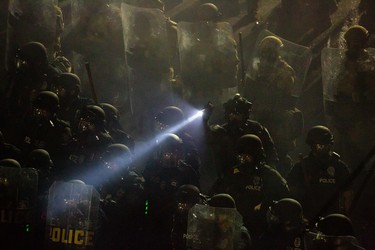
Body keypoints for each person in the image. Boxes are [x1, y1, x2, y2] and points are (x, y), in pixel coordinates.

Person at [214, 134, 289, 245]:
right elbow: (217, 194)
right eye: (241, 157)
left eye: (247, 156)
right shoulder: (233, 173)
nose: (243, 160)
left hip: (261, 230)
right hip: (234, 228)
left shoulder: (269, 175)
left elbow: (285, 197)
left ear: (257, 155)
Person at [244, 36, 302, 177]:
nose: (268, 54)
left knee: (279, 153)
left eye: (271, 51)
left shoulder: (285, 70)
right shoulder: (256, 67)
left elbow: (286, 94)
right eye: (265, 51)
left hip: (276, 117)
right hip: (257, 115)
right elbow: (248, 90)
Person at [328, 25, 375, 169]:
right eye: (350, 43)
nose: (352, 46)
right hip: (344, 115)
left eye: (356, 42)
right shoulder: (343, 63)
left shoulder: (370, 63)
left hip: (362, 117)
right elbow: (335, 86)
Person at [142, 133, 199, 249]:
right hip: (152, 214)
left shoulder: (185, 171)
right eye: (166, 153)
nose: (169, 157)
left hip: (175, 218)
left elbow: (194, 194)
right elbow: (144, 188)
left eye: (173, 153)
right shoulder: (152, 167)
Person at [287, 125, 353, 223]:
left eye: (328, 144)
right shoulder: (301, 167)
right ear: (312, 145)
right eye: (321, 145)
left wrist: (345, 218)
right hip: (306, 219)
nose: (325, 148)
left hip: (333, 220)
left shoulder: (339, 167)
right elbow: (290, 194)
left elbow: (348, 195)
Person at [203, 94, 279, 178]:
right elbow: (207, 139)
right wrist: (204, 121)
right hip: (231, 174)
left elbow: (271, 152)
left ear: (244, 115)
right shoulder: (222, 131)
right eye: (230, 113)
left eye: (237, 114)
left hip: (256, 172)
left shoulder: (256, 129)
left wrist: (268, 173)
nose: (232, 117)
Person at [17, 91, 72, 174]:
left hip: (47, 171)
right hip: (26, 167)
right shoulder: (30, 124)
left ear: (52, 110)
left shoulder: (61, 129)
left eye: (43, 110)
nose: (39, 112)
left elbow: (62, 156)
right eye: (37, 109)